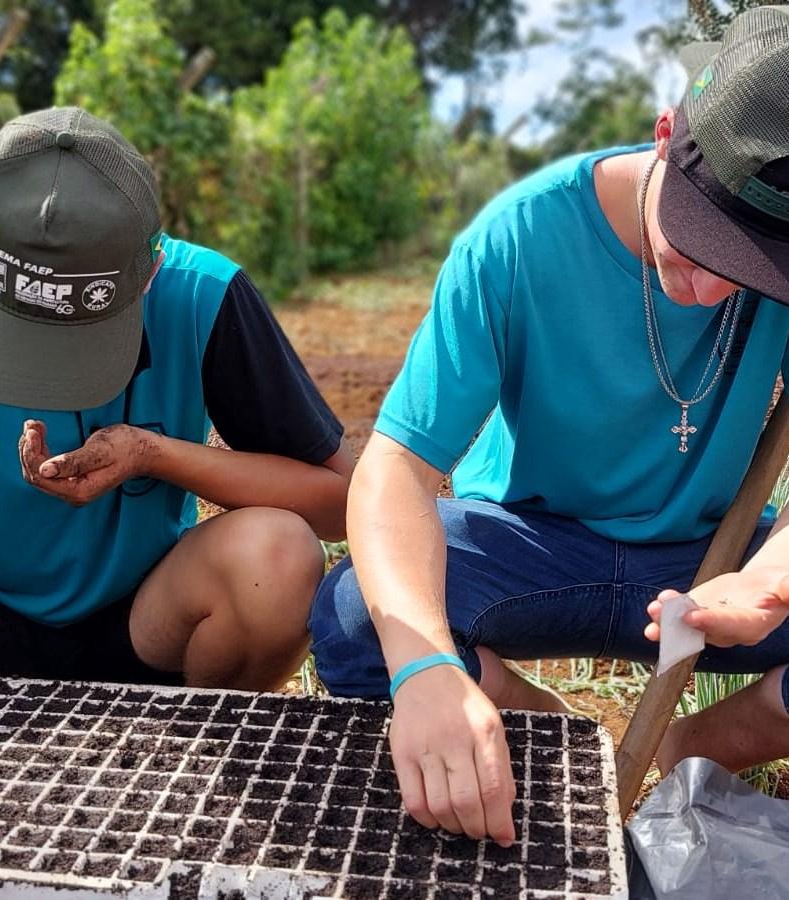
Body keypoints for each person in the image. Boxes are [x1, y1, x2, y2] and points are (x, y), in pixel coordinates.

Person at [310, 6, 789, 844]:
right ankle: (562, 739)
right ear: (665, 135)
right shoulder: (521, 236)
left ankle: (684, 750)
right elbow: (396, 468)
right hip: (529, 545)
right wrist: (426, 668)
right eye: (698, 244)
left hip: (701, 561)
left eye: (755, 269)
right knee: (358, 619)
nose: (714, 290)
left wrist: (767, 583)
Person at [0, 107, 354, 784]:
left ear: (150, 271)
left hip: (151, 611)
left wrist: (152, 453)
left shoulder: (203, 296)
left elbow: (338, 501)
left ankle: (197, 760)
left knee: (278, 558)